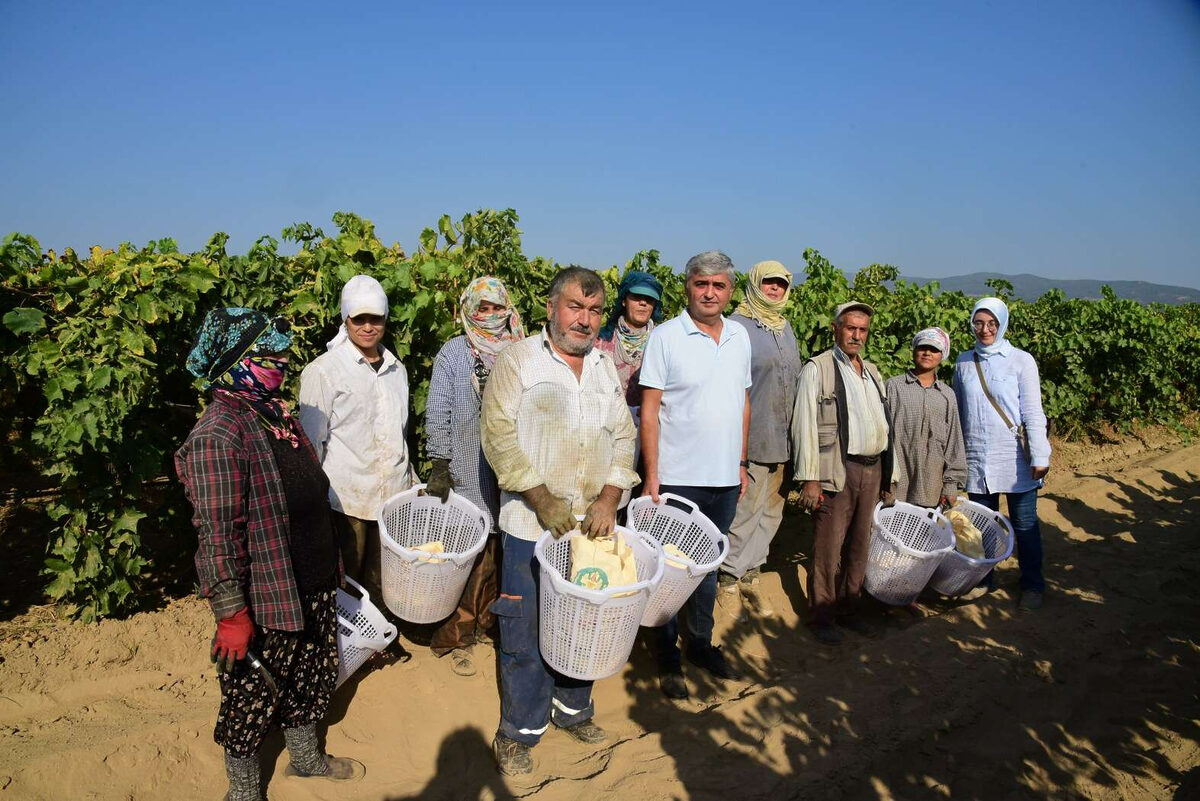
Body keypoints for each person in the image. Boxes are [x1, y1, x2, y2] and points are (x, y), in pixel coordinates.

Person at [176, 307, 363, 801]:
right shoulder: (218, 434)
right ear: (238, 362)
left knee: (311, 674)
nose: (280, 363)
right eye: (268, 356)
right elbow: (217, 535)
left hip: (313, 576)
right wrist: (231, 613)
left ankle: (305, 760)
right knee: (251, 694)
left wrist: (332, 565)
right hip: (268, 591)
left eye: (282, 354)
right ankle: (243, 791)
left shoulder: (273, 413)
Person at [480, 266, 638, 775]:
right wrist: (540, 496)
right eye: (575, 306)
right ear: (551, 307)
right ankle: (520, 731)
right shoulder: (519, 361)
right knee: (524, 629)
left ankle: (573, 713)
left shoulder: (603, 368)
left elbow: (623, 436)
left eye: (594, 310)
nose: (585, 319)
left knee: (583, 625)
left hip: (589, 531)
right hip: (531, 527)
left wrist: (610, 496)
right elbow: (498, 435)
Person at [639, 250, 752, 700]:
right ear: (687, 287)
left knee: (708, 568)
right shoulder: (666, 337)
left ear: (729, 290)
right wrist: (652, 476)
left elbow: (743, 402)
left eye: (719, 285)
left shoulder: (740, 337)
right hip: (677, 478)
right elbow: (649, 412)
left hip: (724, 478)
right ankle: (667, 655)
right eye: (701, 284)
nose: (709, 292)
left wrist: (740, 463)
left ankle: (701, 644)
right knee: (669, 570)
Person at [424, 276, 525, 677]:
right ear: (468, 308)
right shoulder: (454, 353)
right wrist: (439, 461)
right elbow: (439, 407)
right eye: (481, 307)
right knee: (473, 545)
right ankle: (463, 625)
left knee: (507, 543)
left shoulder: (521, 351)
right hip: (468, 463)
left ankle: (493, 622)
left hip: (513, 464)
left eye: (497, 308)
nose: (490, 315)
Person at [298, 275, 414, 603]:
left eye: (375, 319)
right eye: (358, 319)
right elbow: (311, 441)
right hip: (346, 500)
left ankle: (378, 638)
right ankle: (345, 645)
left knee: (383, 580)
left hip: (392, 497)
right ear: (345, 319)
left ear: (385, 320)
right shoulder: (324, 371)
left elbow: (399, 434)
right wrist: (313, 503)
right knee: (346, 579)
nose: (367, 327)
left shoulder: (397, 370)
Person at [790, 301, 896, 645]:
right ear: (836, 328)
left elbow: (883, 423)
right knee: (828, 545)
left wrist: (889, 474)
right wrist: (810, 477)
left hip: (872, 467)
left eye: (863, 330)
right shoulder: (818, 368)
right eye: (850, 328)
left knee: (860, 544)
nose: (857, 335)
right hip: (838, 468)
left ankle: (850, 609)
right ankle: (821, 615)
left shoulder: (872, 371)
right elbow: (804, 425)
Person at [953, 297, 1051, 610]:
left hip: (1015, 460)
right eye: (979, 323)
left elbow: (1033, 411)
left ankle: (1033, 584)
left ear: (1002, 324)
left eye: (992, 323)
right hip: (977, 456)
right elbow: (959, 410)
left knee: (1024, 525)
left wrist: (1039, 454)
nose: (985, 330)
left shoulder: (1021, 360)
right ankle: (984, 579)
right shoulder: (964, 361)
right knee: (983, 526)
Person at [722, 260, 802, 619]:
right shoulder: (737, 326)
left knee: (772, 511)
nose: (774, 289)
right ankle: (728, 578)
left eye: (780, 284)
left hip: (784, 439)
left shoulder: (785, 328)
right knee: (744, 512)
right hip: (753, 437)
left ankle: (752, 574)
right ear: (755, 284)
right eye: (768, 283)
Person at [885, 327, 967, 508]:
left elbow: (954, 442)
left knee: (927, 534)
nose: (927, 353)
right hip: (897, 485)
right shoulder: (893, 387)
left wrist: (951, 485)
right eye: (922, 347)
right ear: (913, 351)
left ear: (942, 355)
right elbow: (882, 435)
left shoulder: (947, 395)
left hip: (932, 487)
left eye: (934, 349)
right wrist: (884, 481)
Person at [594, 269, 664, 411]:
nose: (643, 303)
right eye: (637, 297)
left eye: (649, 299)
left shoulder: (663, 341)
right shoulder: (599, 341)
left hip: (648, 424)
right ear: (624, 300)